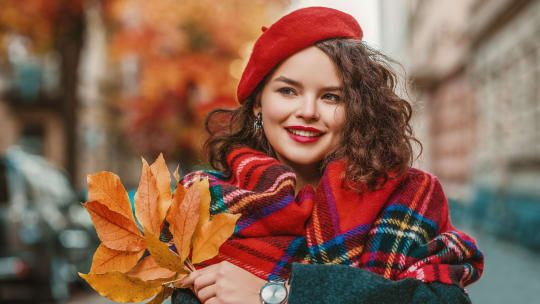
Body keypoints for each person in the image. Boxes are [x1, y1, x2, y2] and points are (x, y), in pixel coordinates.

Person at [168, 6, 484, 304]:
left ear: (356, 109)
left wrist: (281, 294)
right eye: (287, 91)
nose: (307, 112)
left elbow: (445, 299)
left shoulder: (411, 194)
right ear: (258, 104)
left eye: (331, 96)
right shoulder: (204, 199)